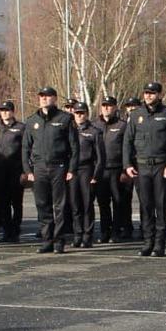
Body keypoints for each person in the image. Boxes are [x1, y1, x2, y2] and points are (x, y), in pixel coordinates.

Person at [123, 81, 166, 256]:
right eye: (146, 92)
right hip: (142, 167)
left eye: (152, 93)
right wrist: (127, 165)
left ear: (160, 95)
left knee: (161, 205)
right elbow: (127, 142)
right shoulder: (136, 115)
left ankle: (159, 244)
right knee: (146, 206)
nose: (148, 96)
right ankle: (148, 242)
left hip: (161, 166)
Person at [22, 85, 79, 254]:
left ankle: (59, 240)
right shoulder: (32, 121)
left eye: (47, 96)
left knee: (59, 206)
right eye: (41, 96)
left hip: (58, 166)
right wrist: (28, 170)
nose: (44, 99)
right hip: (39, 168)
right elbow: (25, 148)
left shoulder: (65, 119)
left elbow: (74, 147)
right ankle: (47, 240)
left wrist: (71, 169)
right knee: (42, 204)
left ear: (54, 98)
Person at [91, 95, 132, 242]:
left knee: (117, 202)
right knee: (103, 203)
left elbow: (127, 148)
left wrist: (124, 169)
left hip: (116, 170)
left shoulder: (122, 125)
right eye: (104, 105)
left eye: (109, 105)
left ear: (115, 108)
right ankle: (104, 231)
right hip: (101, 171)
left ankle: (116, 231)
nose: (106, 108)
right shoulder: (95, 125)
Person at [0, 98, 27, 242]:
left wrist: (26, 170)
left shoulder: (21, 128)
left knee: (16, 202)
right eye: (2, 111)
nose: (4, 113)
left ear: (12, 112)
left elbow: (26, 149)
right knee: (2, 202)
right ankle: (6, 230)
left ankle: (15, 230)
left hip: (16, 170)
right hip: (0, 171)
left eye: (7, 110)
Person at [68, 101, 103, 247]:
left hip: (87, 170)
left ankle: (87, 236)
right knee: (75, 205)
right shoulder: (69, 130)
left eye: (82, 113)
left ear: (87, 114)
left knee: (87, 204)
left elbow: (100, 157)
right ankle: (77, 234)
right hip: (72, 171)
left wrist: (96, 175)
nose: (79, 116)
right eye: (77, 113)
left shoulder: (94, 132)